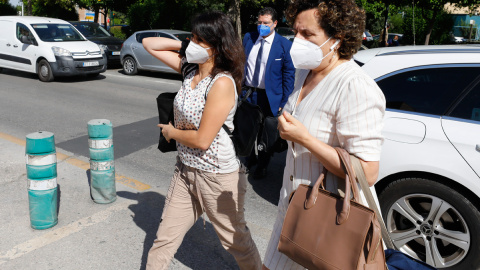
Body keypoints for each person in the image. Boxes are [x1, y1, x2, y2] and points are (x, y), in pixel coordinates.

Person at [261, 0, 386, 269]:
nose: (297, 40)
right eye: (295, 32)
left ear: (337, 39)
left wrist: (305, 138)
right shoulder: (305, 72)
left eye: (307, 34)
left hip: (329, 219)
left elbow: (368, 171)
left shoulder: (355, 86)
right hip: (293, 205)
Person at [142, 11, 262, 270]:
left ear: (217, 47)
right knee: (164, 238)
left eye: (199, 40)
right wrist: (186, 44)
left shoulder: (221, 83)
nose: (192, 44)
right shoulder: (188, 69)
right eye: (192, 38)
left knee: (236, 241)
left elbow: (203, 140)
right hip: (185, 170)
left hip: (216, 176)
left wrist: (172, 133)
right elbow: (148, 44)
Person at [242, 7, 295, 179]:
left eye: (266, 23)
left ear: (275, 23)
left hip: (270, 97)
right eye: (259, 22)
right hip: (249, 94)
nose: (262, 26)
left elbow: (288, 76)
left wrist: (284, 102)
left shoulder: (284, 45)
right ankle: (250, 159)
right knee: (249, 130)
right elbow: (241, 64)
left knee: (266, 134)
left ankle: (263, 165)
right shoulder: (249, 38)